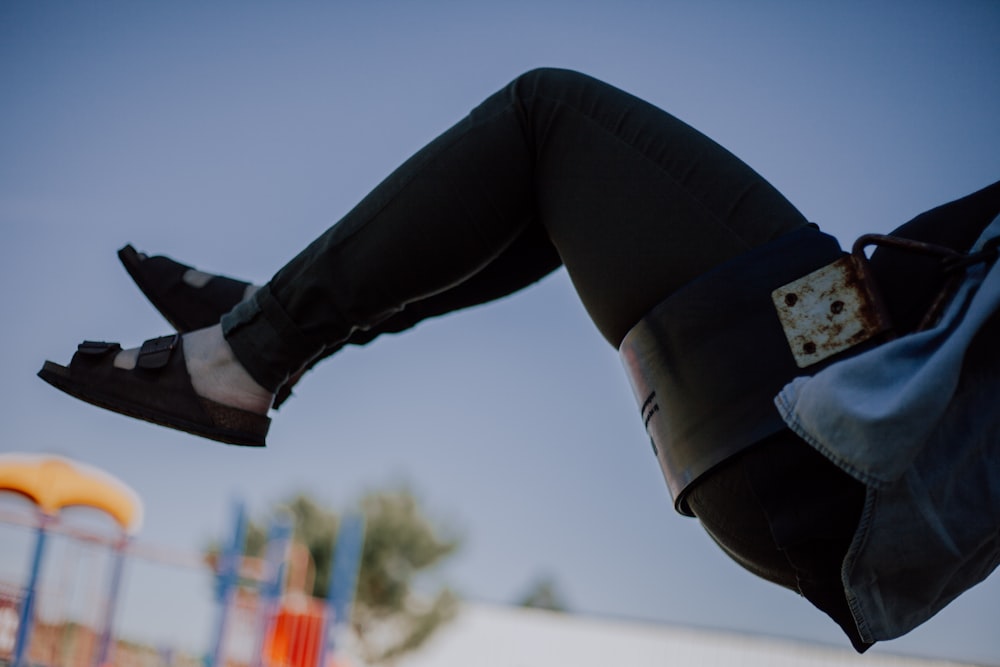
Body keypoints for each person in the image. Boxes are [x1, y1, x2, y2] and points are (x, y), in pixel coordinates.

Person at [38, 68, 999, 651]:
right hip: (819, 446)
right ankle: (273, 321)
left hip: (827, 423)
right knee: (554, 185)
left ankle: (247, 352)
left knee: (547, 117)